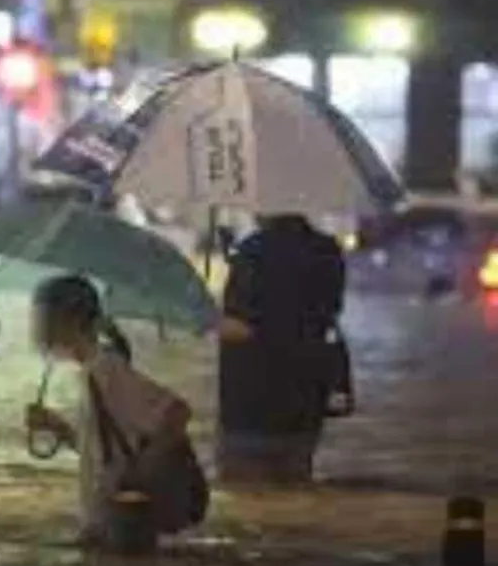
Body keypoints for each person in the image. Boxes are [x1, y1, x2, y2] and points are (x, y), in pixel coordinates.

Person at [22, 276, 193, 543]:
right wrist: (57, 427)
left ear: (70, 321)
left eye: (42, 319)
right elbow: (103, 452)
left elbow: (177, 413)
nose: (36, 331)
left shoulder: (106, 369)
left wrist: (140, 473)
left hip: (124, 523)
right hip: (105, 524)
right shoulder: (92, 371)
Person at [217, 213, 346, 484]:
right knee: (295, 479)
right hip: (307, 393)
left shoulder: (252, 252)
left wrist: (208, 317)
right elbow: (329, 312)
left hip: (251, 400)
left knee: (246, 498)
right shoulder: (329, 251)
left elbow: (240, 326)